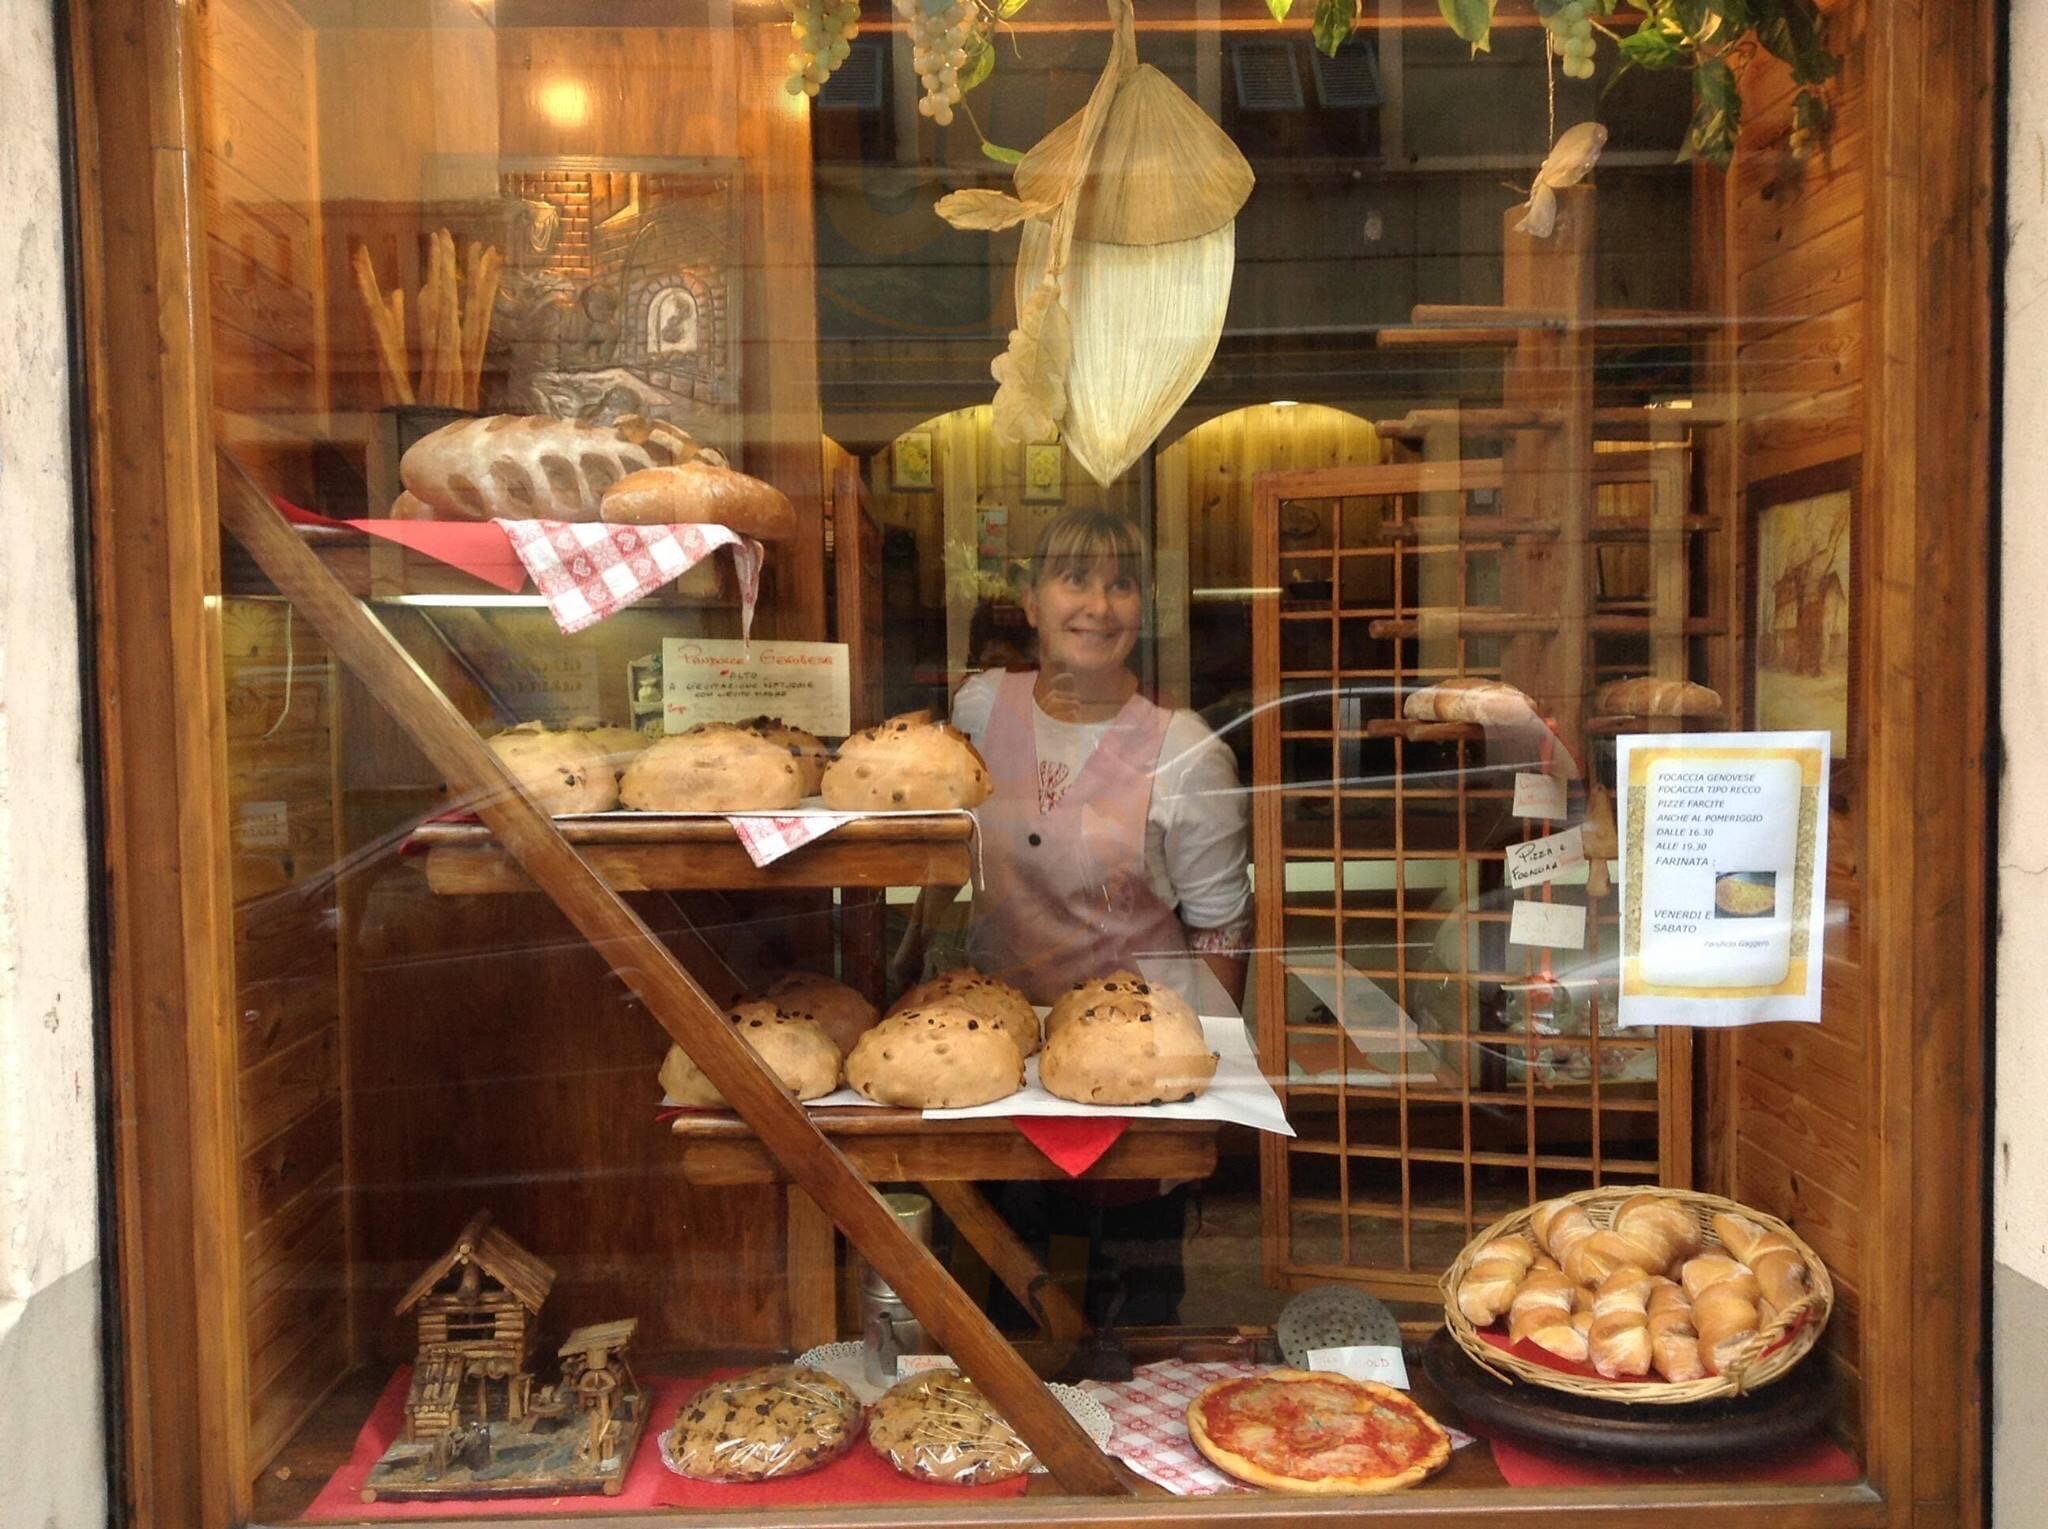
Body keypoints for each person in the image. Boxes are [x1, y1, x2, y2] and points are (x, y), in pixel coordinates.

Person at [894, 508, 1253, 1326]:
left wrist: (1206, 1083)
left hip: (1129, 1075)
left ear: (1144, 605)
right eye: (1075, 578)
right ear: (1030, 601)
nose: (1099, 604)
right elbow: (946, 848)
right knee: (999, 1305)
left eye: (1121, 583)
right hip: (997, 1062)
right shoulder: (982, 709)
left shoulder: (1187, 751)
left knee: (1130, 1312)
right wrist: (912, 955)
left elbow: (1222, 926)